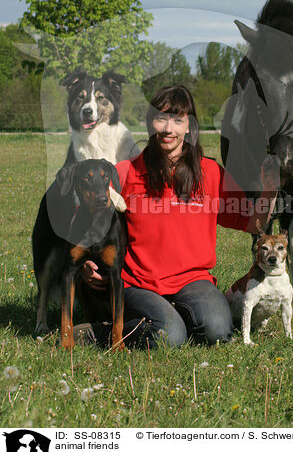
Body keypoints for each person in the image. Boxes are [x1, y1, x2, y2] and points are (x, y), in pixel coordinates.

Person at [77, 84, 275, 349]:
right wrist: (86, 261)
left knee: (217, 330)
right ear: (150, 124)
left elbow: (253, 223)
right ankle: (97, 333)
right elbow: (82, 216)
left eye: (177, 120)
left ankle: (169, 315)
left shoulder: (211, 173)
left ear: (189, 126)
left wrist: (270, 189)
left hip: (193, 280)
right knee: (169, 336)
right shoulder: (125, 172)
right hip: (137, 282)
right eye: (161, 119)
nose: (168, 129)